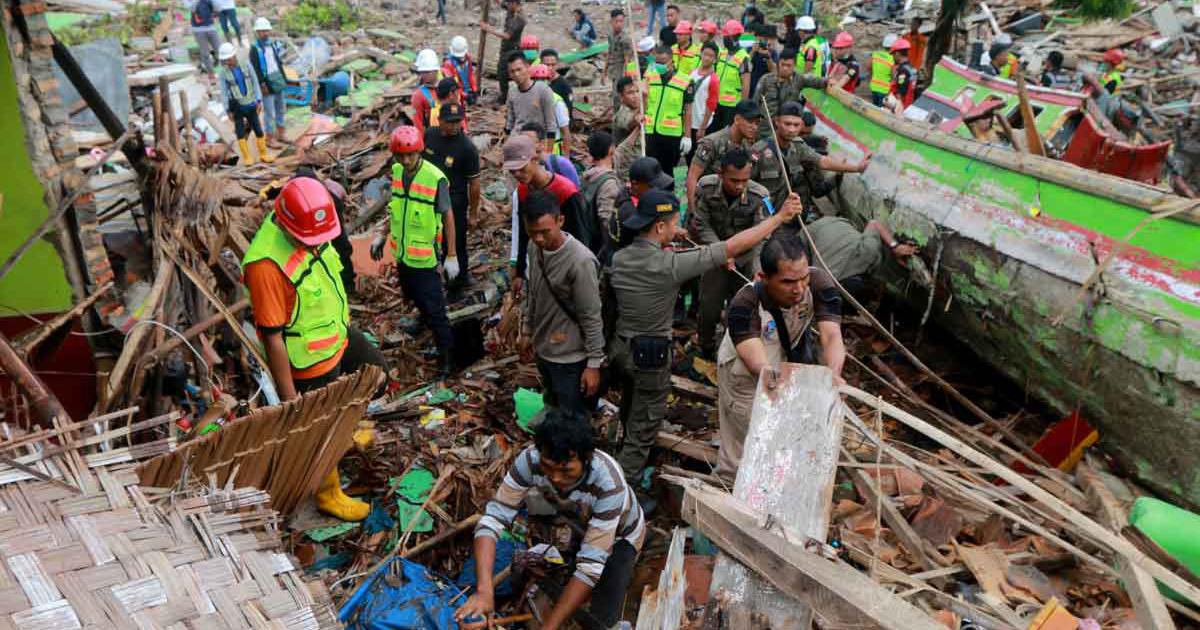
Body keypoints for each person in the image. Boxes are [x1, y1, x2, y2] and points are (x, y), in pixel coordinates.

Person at [607, 187, 804, 484]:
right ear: (659, 226)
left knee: (630, 408)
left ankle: (617, 454)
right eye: (673, 223)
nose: (677, 229)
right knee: (644, 426)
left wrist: (677, 234)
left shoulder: (620, 258)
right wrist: (778, 218)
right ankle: (621, 490)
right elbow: (734, 245)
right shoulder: (669, 265)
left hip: (620, 350)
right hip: (650, 356)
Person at [242, 177, 386, 521]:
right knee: (320, 429)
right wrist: (290, 396)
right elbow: (272, 336)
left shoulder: (311, 224)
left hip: (337, 335)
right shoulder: (265, 266)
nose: (315, 245)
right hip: (309, 360)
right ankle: (328, 492)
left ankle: (346, 432)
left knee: (377, 373)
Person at [455, 409, 645, 630]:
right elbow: (493, 519)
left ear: (587, 459)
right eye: (548, 467)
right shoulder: (530, 460)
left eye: (566, 471)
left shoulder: (609, 483)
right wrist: (484, 592)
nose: (555, 478)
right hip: (581, 523)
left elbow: (591, 566)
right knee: (574, 578)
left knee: (602, 615)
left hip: (621, 536)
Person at [713, 231, 844, 481]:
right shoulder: (745, 303)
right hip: (743, 373)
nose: (798, 289)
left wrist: (833, 375)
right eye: (787, 282)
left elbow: (831, 336)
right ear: (763, 277)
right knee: (744, 441)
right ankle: (727, 489)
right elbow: (755, 360)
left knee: (777, 437)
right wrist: (775, 386)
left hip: (779, 364)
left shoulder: (819, 284)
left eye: (803, 278)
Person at [370, 126, 458, 375]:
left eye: (410, 155)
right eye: (401, 156)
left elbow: (448, 216)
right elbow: (395, 207)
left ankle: (447, 356)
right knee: (413, 297)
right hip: (403, 255)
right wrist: (381, 235)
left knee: (435, 307)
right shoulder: (397, 172)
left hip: (425, 259)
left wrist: (451, 255)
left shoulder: (435, 177)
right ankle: (423, 323)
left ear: (419, 152)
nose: (406, 161)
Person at [519, 194, 605, 416]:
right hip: (545, 350)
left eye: (544, 232)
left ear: (560, 221)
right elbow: (533, 292)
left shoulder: (580, 261)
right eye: (532, 232)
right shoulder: (533, 247)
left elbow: (592, 315)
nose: (538, 238)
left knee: (572, 418)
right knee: (552, 406)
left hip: (571, 358)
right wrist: (528, 330)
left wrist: (594, 364)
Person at [690, 148, 772, 358]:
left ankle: (734, 351)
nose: (739, 186)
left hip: (745, 260)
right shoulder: (705, 188)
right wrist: (721, 252)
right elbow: (701, 222)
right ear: (720, 174)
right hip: (715, 257)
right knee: (709, 307)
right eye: (733, 180)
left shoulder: (761, 196)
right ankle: (705, 347)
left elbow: (762, 236)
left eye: (744, 180)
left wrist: (757, 270)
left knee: (742, 310)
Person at [505, 135, 595, 297]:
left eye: (522, 168)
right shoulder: (522, 191)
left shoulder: (565, 190)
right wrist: (519, 271)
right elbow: (524, 232)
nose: (517, 174)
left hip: (567, 261)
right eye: (512, 171)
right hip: (540, 262)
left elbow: (582, 235)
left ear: (535, 159)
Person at [751, 101, 869, 216]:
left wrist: (857, 168)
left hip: (790, 215)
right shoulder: (759, 150)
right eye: (787, 124)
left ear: (801, 125)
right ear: (776, 122)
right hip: (766, 216)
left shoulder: (799, 146)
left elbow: (823, 162)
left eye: (796, 125)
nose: (792, 129)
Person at [423, 103, 480, 288]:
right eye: (450, 122)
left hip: (454, 201)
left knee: (455, 242)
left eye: (458, 121)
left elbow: (474, 183)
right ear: (439, 120)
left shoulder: (466, 148)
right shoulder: (430, 135)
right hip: (428, 197)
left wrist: (473, 214)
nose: (455, 126)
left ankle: (459, 281)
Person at [806, 215, 917, 295]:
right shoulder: (821, 283)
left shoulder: (868, 251)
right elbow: (874, 224)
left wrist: (895, 246)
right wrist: (895, 247)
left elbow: (874, 224)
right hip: (830, 225)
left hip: (827, 227)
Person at [686, 100, 759, 212]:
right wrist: (692, 211)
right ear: (737, 119)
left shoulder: (747, 147)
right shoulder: (712, 142)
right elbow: (692, 176)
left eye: (757, 123)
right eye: (750, 122)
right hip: (705, 204)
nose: (754, 127)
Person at [216, 43, 272, 165]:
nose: (228, 63)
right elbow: (224, 92)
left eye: (229, 59)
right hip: (236, 107)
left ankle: (263, 154)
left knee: (258, 129)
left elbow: (255, 82)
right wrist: (227, 110)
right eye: (225, 61)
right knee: (240, 131)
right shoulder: (223, 72)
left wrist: (259, 100)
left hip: (251, 104)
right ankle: (247, 157)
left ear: (234, 56)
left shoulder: (246, 65)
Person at [753, 47, 827, 138]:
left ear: (794, 66)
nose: (785, 68)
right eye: (782, 65)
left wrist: (830, 82)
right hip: (764, 131)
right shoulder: (766, 79)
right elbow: (755, 104)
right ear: (778, 64)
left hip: (786, 133)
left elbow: (819, 82)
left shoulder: (799, 80)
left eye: (788, 66)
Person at [643, 44, 694, 174]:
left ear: (671, 61)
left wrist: (687, 136)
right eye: (657, 62)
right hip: (651, 132)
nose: (659, 65)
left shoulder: (685, 80)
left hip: (672, 135)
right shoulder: (650, 77)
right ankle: (655, 193)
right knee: (652, 170)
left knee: (672, 170)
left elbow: (688, 110)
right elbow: (645, 102)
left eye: (663, 62)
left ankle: (676, 192)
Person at [581, 131, 627, 255]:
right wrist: (611, 250)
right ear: (611, 150)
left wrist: (638, 130)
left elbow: (622, 150)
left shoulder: (590, 172)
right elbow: (607, 220)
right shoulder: (608, 184)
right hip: (600, 247)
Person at [504, 53, 559, 155]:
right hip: (517, 142)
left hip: (536, 145)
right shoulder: (512, 92)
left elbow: (551, 125)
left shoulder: (543, 90)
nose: (516, 74)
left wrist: (548, 155)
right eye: (512, 71)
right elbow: (509, 123)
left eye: (519, 69)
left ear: (527, 68)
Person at [249, 18, 287, 146]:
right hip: (266, 83)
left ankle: (281, 133)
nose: (264, 33)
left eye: (266, 31)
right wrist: (261, 84)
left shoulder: (272, 45)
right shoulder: (254, 49)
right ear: (257, 33)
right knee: (269, 112)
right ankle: (270, 138)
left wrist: (285, 79)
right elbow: (254, 69)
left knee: (281, 108)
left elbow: (278, 63)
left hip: (277, 80)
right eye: (261, 31)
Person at [480, 0, 526, 104]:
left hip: (512, 50)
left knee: (509, 73)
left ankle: (508, 98)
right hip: (505, 49)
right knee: (501, 74)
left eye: (510, 3)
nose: (508, 5)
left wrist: (489, 29)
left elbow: (507, 36)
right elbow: (501, 3)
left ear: (515, 4)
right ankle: (504, 96)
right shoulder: (511, 9)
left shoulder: (519, 19)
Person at [714, 20, 752, 129]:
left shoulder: (743, 57)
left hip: (732, 106)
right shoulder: (723, 53)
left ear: (735, 38)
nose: (724, 39)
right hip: (716, 102)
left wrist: (742, 109)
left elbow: (746, 86)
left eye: (727, 36)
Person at [530, 64, 572, 156]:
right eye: (536, 80)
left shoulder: (556, 102)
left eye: (543, 80)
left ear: (548, 81)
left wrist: (566, 158)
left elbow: (566, 132)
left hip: (553, 153)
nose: (540, 83)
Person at [519, 122, 579, 186]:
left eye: (528, 141)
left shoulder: (561, 164)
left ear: (542, 143)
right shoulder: (522, 166)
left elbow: (575, 191)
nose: (524, 145)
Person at [689, 42, 721, 147]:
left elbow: (711, 105)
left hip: (701, 124)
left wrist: (702, 128)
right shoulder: (692, 73)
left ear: (715, 59)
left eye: (710, 56)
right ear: (701, 54)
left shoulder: (714, 79)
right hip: (689, 121)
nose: (706, 58)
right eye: (705, 54)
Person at [411, 49, 443, 136]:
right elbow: (417, 121)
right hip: (433, 136)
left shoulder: (445, 87)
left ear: (436, 71)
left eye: (428, 72)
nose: (424, 75)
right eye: (422, 72)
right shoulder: (418, 95)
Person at [605, 9, 633, 110]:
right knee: (614, 94)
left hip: (621, 69)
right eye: (616, 21)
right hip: (613, 68)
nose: (619, 24)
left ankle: (619, 115)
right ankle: (616, 113)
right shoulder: (611, 36)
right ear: (611, 21)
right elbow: (609, 53)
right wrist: (604, 72)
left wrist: (625, 74)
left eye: (621, 21)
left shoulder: (625, 38)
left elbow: (627, 59)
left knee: (618, 95)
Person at [541, 50, 575, 125]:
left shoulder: (564, 85)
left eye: (553, 65)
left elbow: (568, 109)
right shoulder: (538, 81)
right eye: (547, 65)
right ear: (541, 64)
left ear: (557, 65)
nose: (550, 68)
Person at [188, 0, 221, 77]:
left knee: (220, 50)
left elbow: (218, 8)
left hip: (211, 27)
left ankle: (226, 70)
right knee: (205, 54)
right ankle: (211, 74)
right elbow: (191, 8)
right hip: (198, 29)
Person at [443, 35, 479, 104]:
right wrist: (464, 95)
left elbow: (470, 74)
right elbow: (451, 85)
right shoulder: (448, 64)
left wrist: (474, 89)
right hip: (453, 95)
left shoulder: (467, 57)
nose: (461, 58)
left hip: (463, 90)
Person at [747, 23, 778, 98]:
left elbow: (774, 71)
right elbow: (745, 66)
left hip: (765, 89)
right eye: (762, 40)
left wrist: (768, 57)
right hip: (751, 87)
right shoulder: (750, 49)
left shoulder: (772, 52)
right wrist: (753, 52)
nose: (767, 43)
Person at [611, 76, 640, 147]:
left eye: (637, 91)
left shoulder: (641, 108)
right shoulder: (621, 113)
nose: (636, 96)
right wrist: (644, 103)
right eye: (630, 93)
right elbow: (632, 122)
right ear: (621, 96)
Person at [870, 34, 897, 107]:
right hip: (885, 90)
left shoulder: (875, 54)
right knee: (881, 110)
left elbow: (869, 68)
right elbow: (893, 76)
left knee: (874, 107)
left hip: (874, 87)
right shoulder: (892, 58)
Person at [890, 38, 916, 109]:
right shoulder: (911, 68)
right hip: (908, 106)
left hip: (901, 107)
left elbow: (901, 91)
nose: (893, 58)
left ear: (897, 53)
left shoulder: (903, 71)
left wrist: (896, 108)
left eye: (893, 55)